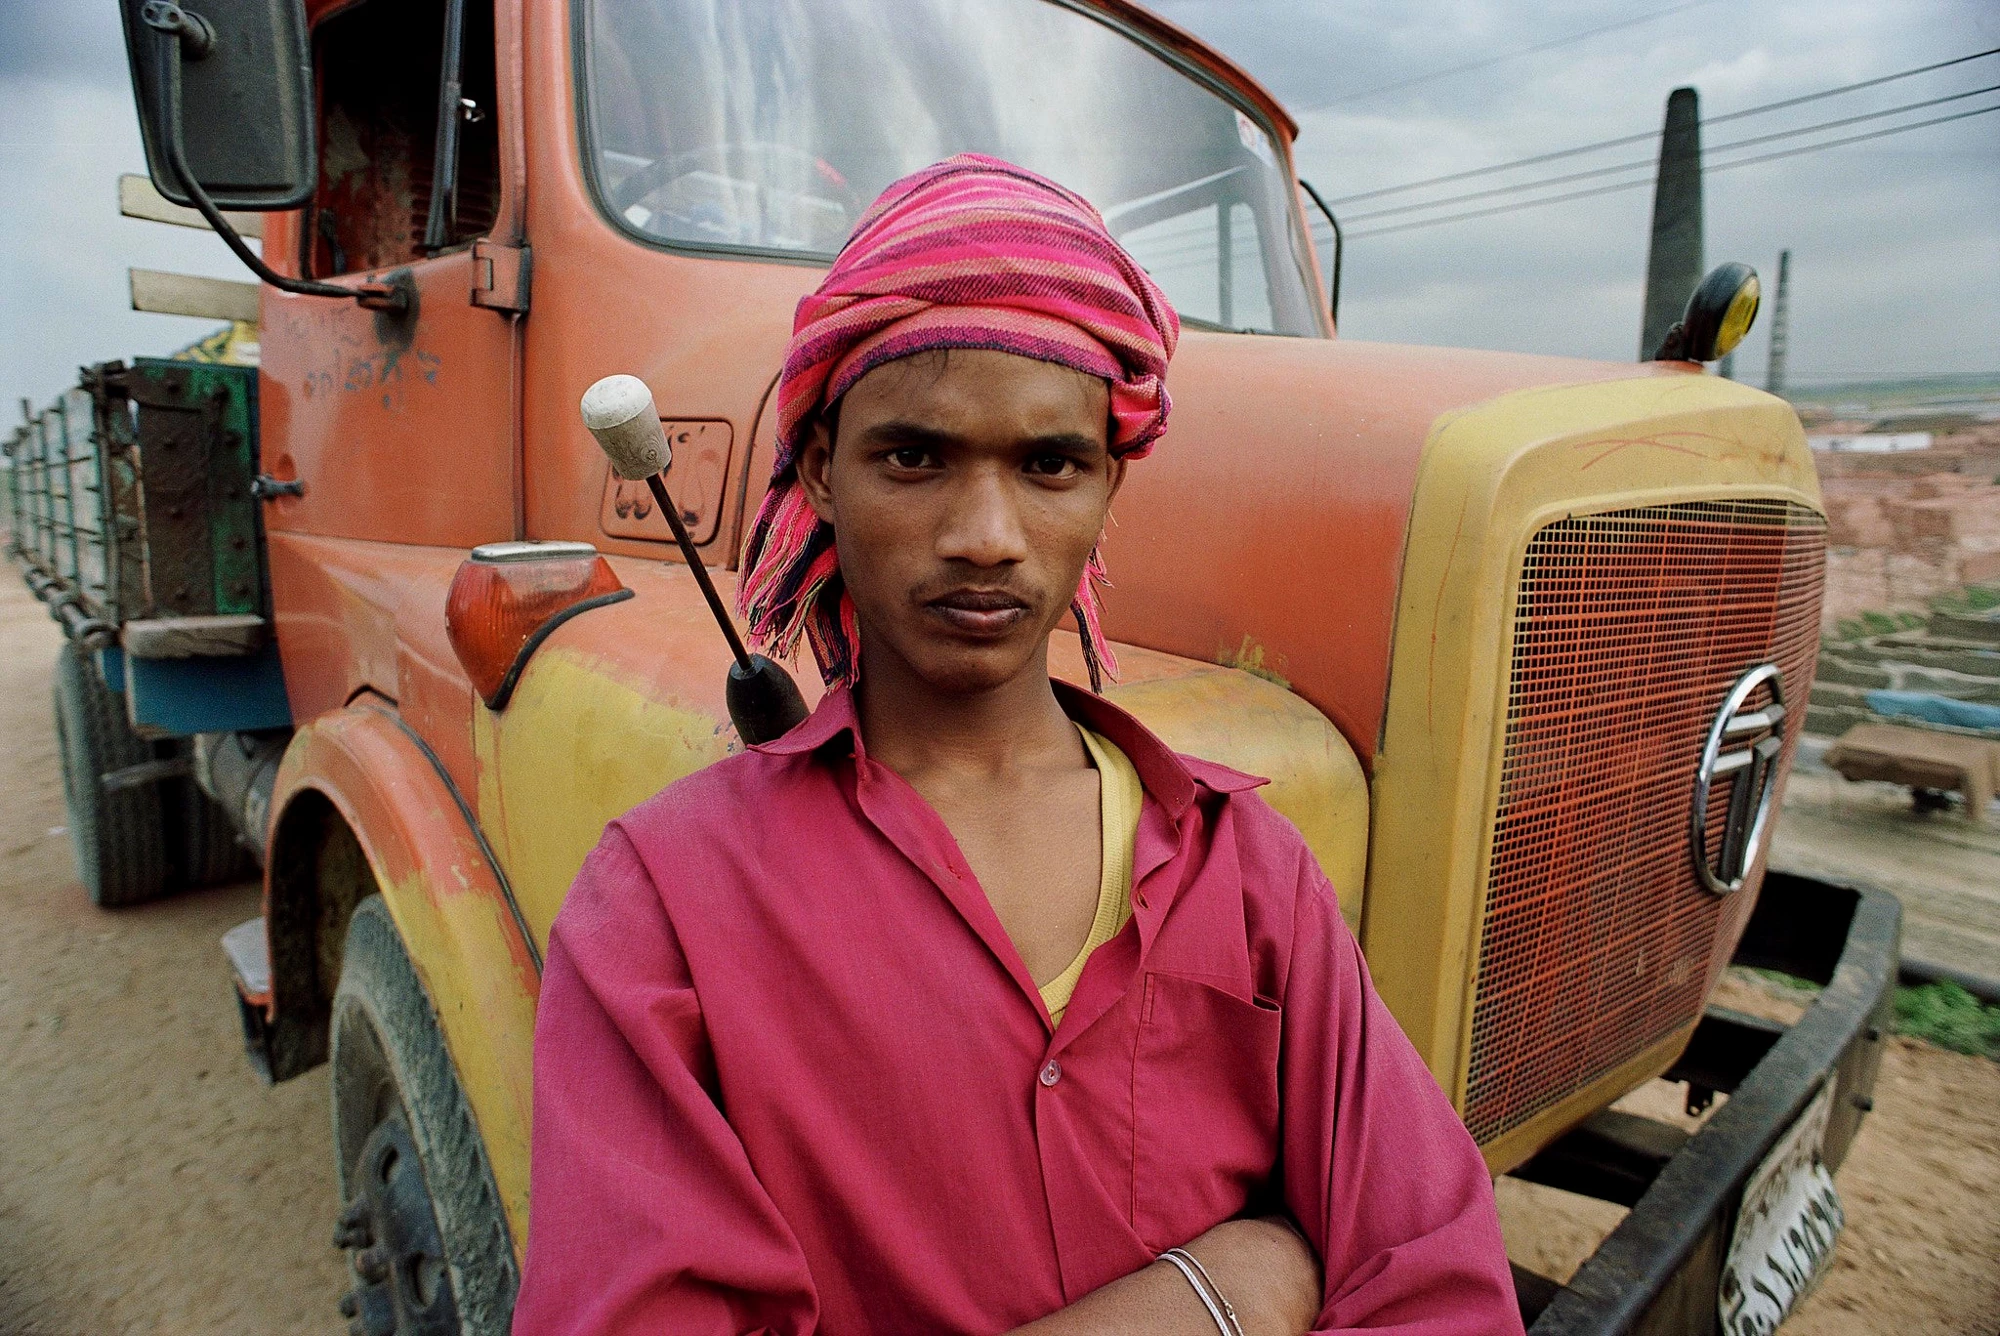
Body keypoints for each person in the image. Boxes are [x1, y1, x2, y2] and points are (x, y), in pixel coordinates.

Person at [512, 155, 1522, 1335]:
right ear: (821, 470)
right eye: (914, 456)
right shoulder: (663, 907)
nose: (985, 537)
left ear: (1106, 487)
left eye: (1048, 465)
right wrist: (1218, 1292)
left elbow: (1434, 1280)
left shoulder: (1240, 864)